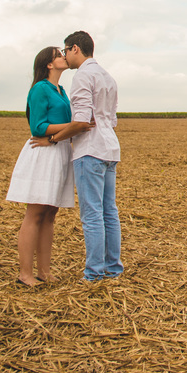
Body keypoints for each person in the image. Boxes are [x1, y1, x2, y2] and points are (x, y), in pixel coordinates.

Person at [5, 46, 91, 287]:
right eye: (58, 54)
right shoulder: (40, 89)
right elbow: (38, 127)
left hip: (59, 150)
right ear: (49, 64)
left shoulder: (60, 90)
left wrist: (71, 128)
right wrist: (74, 124)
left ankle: (44, 271)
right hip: (43, 152)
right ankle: (25, 274)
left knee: (50, 214)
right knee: (35, 213)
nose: (64, 56)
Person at [63, 30, 123, 281]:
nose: (64, 55)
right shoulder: (107, 77)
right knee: (109, 210)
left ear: (76, 48)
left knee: (92, 214)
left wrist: (57, 137)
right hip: (110, 148)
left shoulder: (82, 76)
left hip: (90, 149)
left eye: (65, 50)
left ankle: (94, 273)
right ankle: (113, 267)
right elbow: (113, 119)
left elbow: (82, 119)